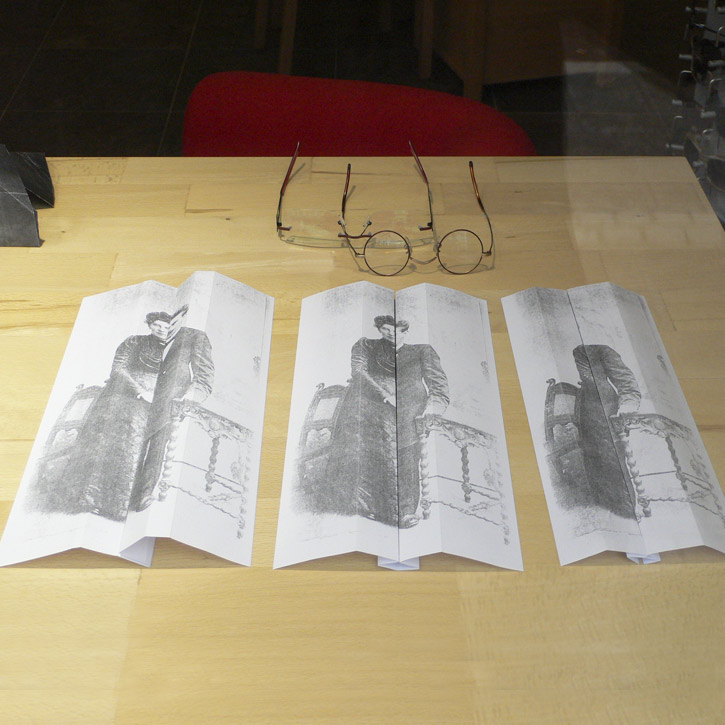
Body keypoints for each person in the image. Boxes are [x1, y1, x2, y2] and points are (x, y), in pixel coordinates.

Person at [34, 311, 171, 520]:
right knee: (109, 442)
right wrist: (139, 390)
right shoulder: (134, 341)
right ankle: (87, 499)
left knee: (134, 447)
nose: (162, 329)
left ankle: (115, 505)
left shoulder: (170, 351)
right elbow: (118, 369)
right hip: (120, 397)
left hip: (150, 404)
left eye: (166, 326)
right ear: (150, 325)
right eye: (157, 325)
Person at [129, 305, 214, 511]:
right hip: (143, 396)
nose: (169, 327)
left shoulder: (195, 337)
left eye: (175, 323)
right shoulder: (154, 339)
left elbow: (204, 377)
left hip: (170, 400)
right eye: (169, 322)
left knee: (157, 446)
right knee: (133, 441)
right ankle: (124, 491)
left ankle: (143, 495)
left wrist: (190, 396)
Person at [322, 315, 399, 525]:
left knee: (388, 450)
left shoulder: (400, 351)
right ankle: (358, 505)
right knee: (359, 450)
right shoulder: (365, 345)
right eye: (385, 329)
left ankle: (388, 509)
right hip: (362, 403)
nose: (390, 333)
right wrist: (384, 394)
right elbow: (358, 372)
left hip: (389, 408)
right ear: (379, 329)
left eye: (393, 329)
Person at [573, 343, 641, 518]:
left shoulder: (602, 351)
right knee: (594, 465)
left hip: (607, 415)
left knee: (614, 464)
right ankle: (607, 513)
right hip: (587, 415)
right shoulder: (578, 351)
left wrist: (628, 404)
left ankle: (627, 514)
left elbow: (627, 383)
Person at [395, 319, 449, 527]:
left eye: (396, 332)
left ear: (405, 332)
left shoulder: (421, 351)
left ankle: (406, 511)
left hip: (411, 417)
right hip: (381, 416)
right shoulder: (377, 356)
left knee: (407, 459)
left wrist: (432, 408)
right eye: (386, 332)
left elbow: (438, 387)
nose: (390, 336)